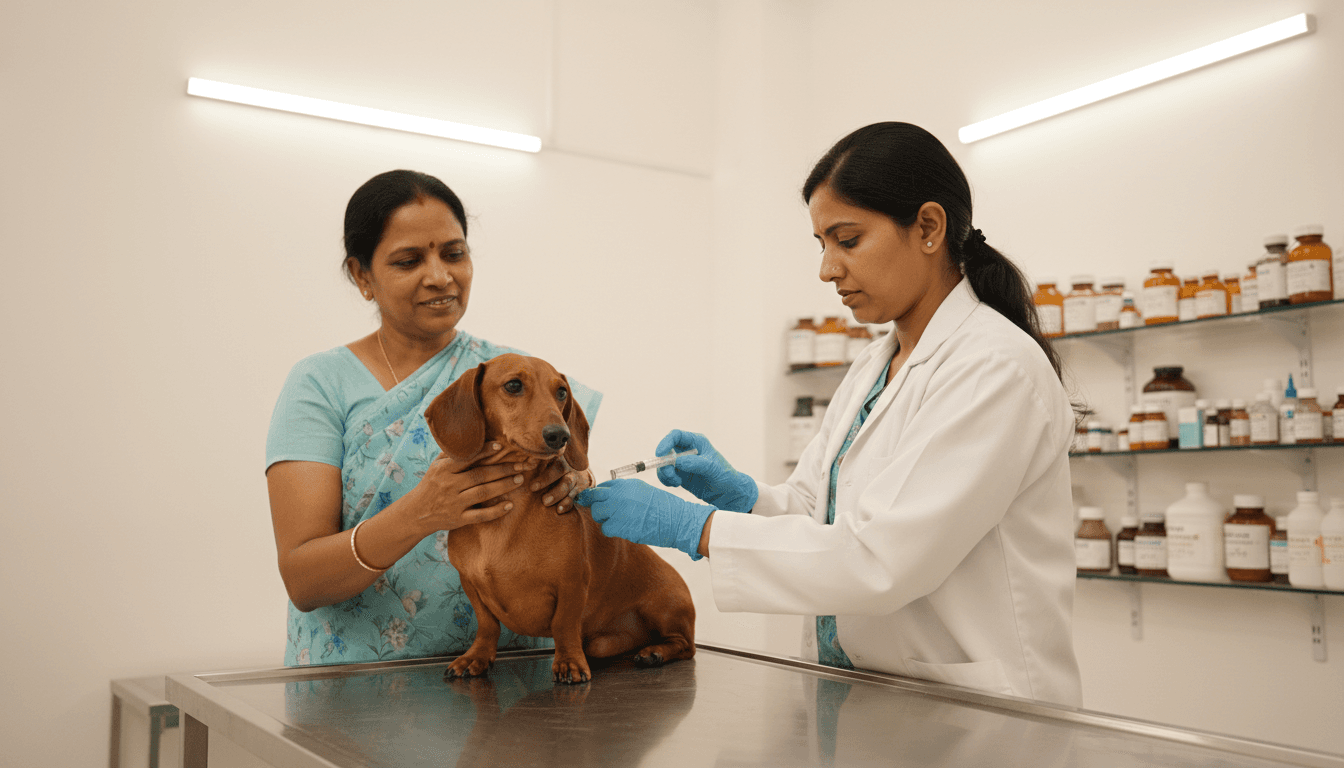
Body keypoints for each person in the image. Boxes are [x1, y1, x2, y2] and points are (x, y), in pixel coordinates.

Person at [577, 122, 1083, 706]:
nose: (827, 268)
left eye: (847, 240)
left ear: (928, 227)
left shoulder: (998, 369)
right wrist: (745, 497)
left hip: (980, 714)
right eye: (821, 244)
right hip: (870, 696)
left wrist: (694, 529)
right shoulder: (875, 363)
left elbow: (880, 558)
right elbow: (823, 514)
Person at [266, 170, 601, 666]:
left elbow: (576, 519)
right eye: (408, 260)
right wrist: (419, 513)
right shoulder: (319, 384)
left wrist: (579, 484)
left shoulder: (519, 376)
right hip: (360, 690)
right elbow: (304, 580)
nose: (440, 276)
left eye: (454, 253)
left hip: (514, 681)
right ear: (362, 277)